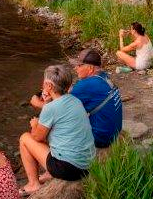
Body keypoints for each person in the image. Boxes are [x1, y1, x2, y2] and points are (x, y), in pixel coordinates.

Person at [19, 65, 96, 195]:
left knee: (25, 138)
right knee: (57, 132)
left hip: (70, 169)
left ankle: (33, 184)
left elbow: (38, 137)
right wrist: (48, 102)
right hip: (87, 164)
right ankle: (49, 173)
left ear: (49, 86)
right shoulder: (75, 100)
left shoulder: (50, 109)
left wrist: (35, 124)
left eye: (44, 83)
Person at [30, 49, 122, 150]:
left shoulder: (85, 85)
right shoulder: (102, 77)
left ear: (90, 68)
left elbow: (58, 109)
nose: (75, 68)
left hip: (101, 138)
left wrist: (38, 103)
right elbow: (76, 93)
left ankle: (53, 154)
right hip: (113, 131)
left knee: (49, 127)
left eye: (79, 65)